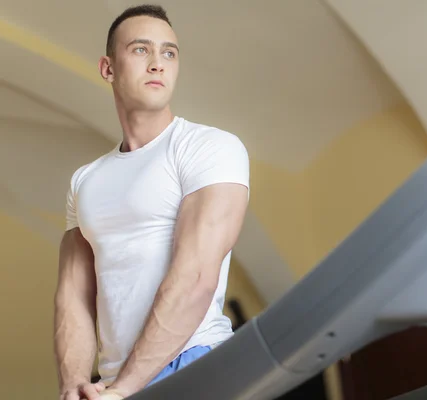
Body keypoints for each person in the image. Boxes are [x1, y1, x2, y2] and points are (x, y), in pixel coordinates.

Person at [53, 4, 250, 400]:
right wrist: (75, 385)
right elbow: (74, 298)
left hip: (196, 362)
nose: (158, 63)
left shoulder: (210, 148)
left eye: (169, 52)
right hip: (114, 383)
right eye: (141, 50)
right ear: (108, 68)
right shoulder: (85, 180)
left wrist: (125, 388)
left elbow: (195, 278)